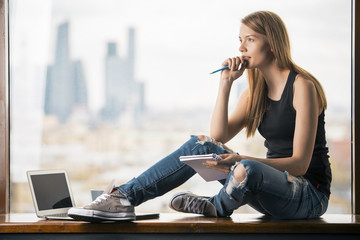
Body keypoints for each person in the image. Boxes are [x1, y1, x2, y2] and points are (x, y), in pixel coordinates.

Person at [68, 10, 331, 221]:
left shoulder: (302, 86)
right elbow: (217, 138)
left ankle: (215, 206)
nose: (241, 48)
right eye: (240, 40)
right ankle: (123, 198)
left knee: (246, 168)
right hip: (264, 190)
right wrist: (225, 83)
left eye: (250, 39)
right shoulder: (253, 94)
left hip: (308, 196)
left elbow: (299, 165)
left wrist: (239, 161)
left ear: (272, 42)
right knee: (202, 143)